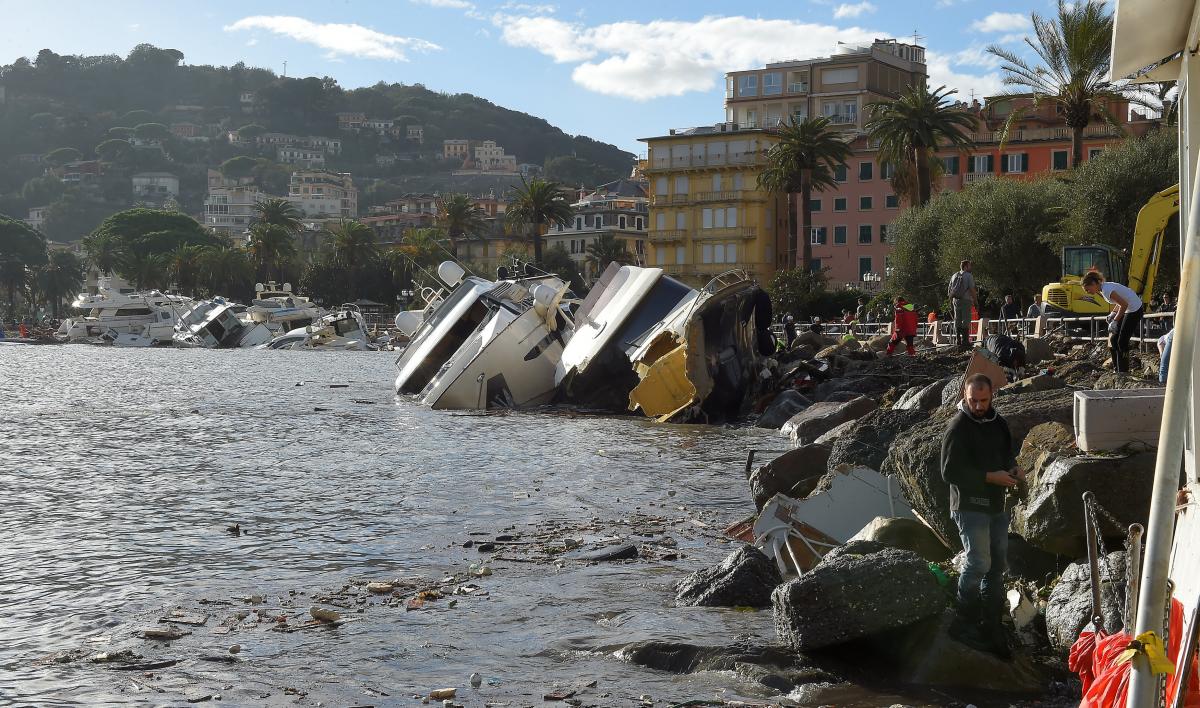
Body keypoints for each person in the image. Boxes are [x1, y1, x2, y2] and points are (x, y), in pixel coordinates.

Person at [942, 373, 1024, 659]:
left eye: (983, 400)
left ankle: (991, 621)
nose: (978, 405)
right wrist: (991, 477)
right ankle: (964, 619)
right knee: (978, 561)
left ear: (992, 396)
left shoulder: (998, 423)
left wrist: (1013, 469)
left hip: (996, 505)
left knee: (997, 564)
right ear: (965, 396)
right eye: (973, 400)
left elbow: (1007, 454)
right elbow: (949, 473)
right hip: (968, 505)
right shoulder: (957, 427)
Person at [1081, 271, 1144, 374]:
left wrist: (1115, 321)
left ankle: (1124, 370)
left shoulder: (1106, 290)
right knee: (1114, 339)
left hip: (1135, 310)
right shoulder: (1103, 289)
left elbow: (1124, 304)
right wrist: (1113, 313)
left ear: (1093, 284)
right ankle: (1117, 368)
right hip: (1129, 309)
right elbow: (1119, 302)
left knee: (1122, 341)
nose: (1088, 292)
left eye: (1088, 289)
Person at [947, 260, 978, 350]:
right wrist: (976, 302)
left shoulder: (954, 276)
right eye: (969, 266)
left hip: (955, 300)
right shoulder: (968, 276)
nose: (970, 268)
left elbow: (949, 290)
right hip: (965, 300)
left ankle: (958, 340)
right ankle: (965, 341)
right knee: (966, 319)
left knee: (957, 319)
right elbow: (972, 290)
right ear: (965, 267)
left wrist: (950, 302)